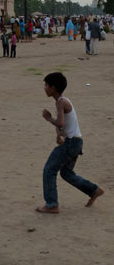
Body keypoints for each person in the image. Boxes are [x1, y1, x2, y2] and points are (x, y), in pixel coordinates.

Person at [36, 72, 104, 214]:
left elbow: (59, 121)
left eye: (46, 85)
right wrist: (58, 135)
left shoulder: (61, 101)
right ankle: (94, 190)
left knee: (49, 169)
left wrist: (48, 118)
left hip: (72, 143)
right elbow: (62, 123)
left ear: (53, 87)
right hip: (75, 142)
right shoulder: (60, 101)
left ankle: (52, 204)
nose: (44, 88)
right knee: (66, 173)